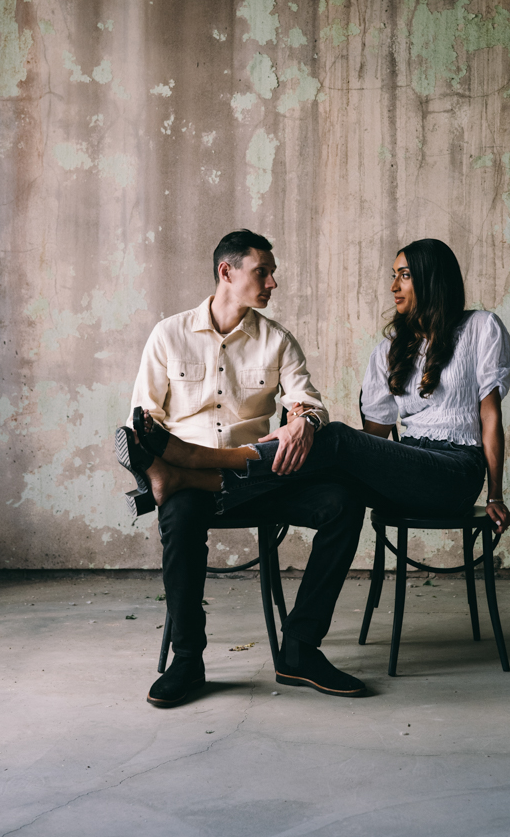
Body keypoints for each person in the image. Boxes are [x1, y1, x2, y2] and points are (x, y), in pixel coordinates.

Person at [126, 238, 510, 598]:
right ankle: (183, 479)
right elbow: (375, 444)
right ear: (227, 272)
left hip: (454, 473)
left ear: (432, 280)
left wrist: (495, 493)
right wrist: (317, 445)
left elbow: (490, 417)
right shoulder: (389, 351)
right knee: (331, 467)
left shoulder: (481, 328)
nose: (394, 286)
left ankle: (195, 462)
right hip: (407, 469)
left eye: (405, 275)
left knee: (331, 439)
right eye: (394, 276)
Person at [117, 229, 367, 707]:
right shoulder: (168, 335)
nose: (273, 282)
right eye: (263, 272)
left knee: (343, 501)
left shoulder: (277, 342)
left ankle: (299, 648)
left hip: (260, 482)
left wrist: (303, 423)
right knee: (180, 514)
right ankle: (188, 659)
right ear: (226, 272)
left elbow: (309, 404)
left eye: (272, 273)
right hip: (195, 491)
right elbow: (142, 423)